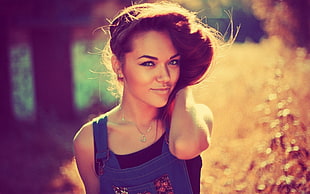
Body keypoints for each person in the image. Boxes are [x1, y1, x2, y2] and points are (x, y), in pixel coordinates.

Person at [73, 1, 221, 193]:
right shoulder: (89, 141)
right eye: (149, 63)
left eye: (173, 62)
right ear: (118, 66)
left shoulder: (195, 117)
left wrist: (184, 82)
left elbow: (184, 147)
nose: (165, 77)